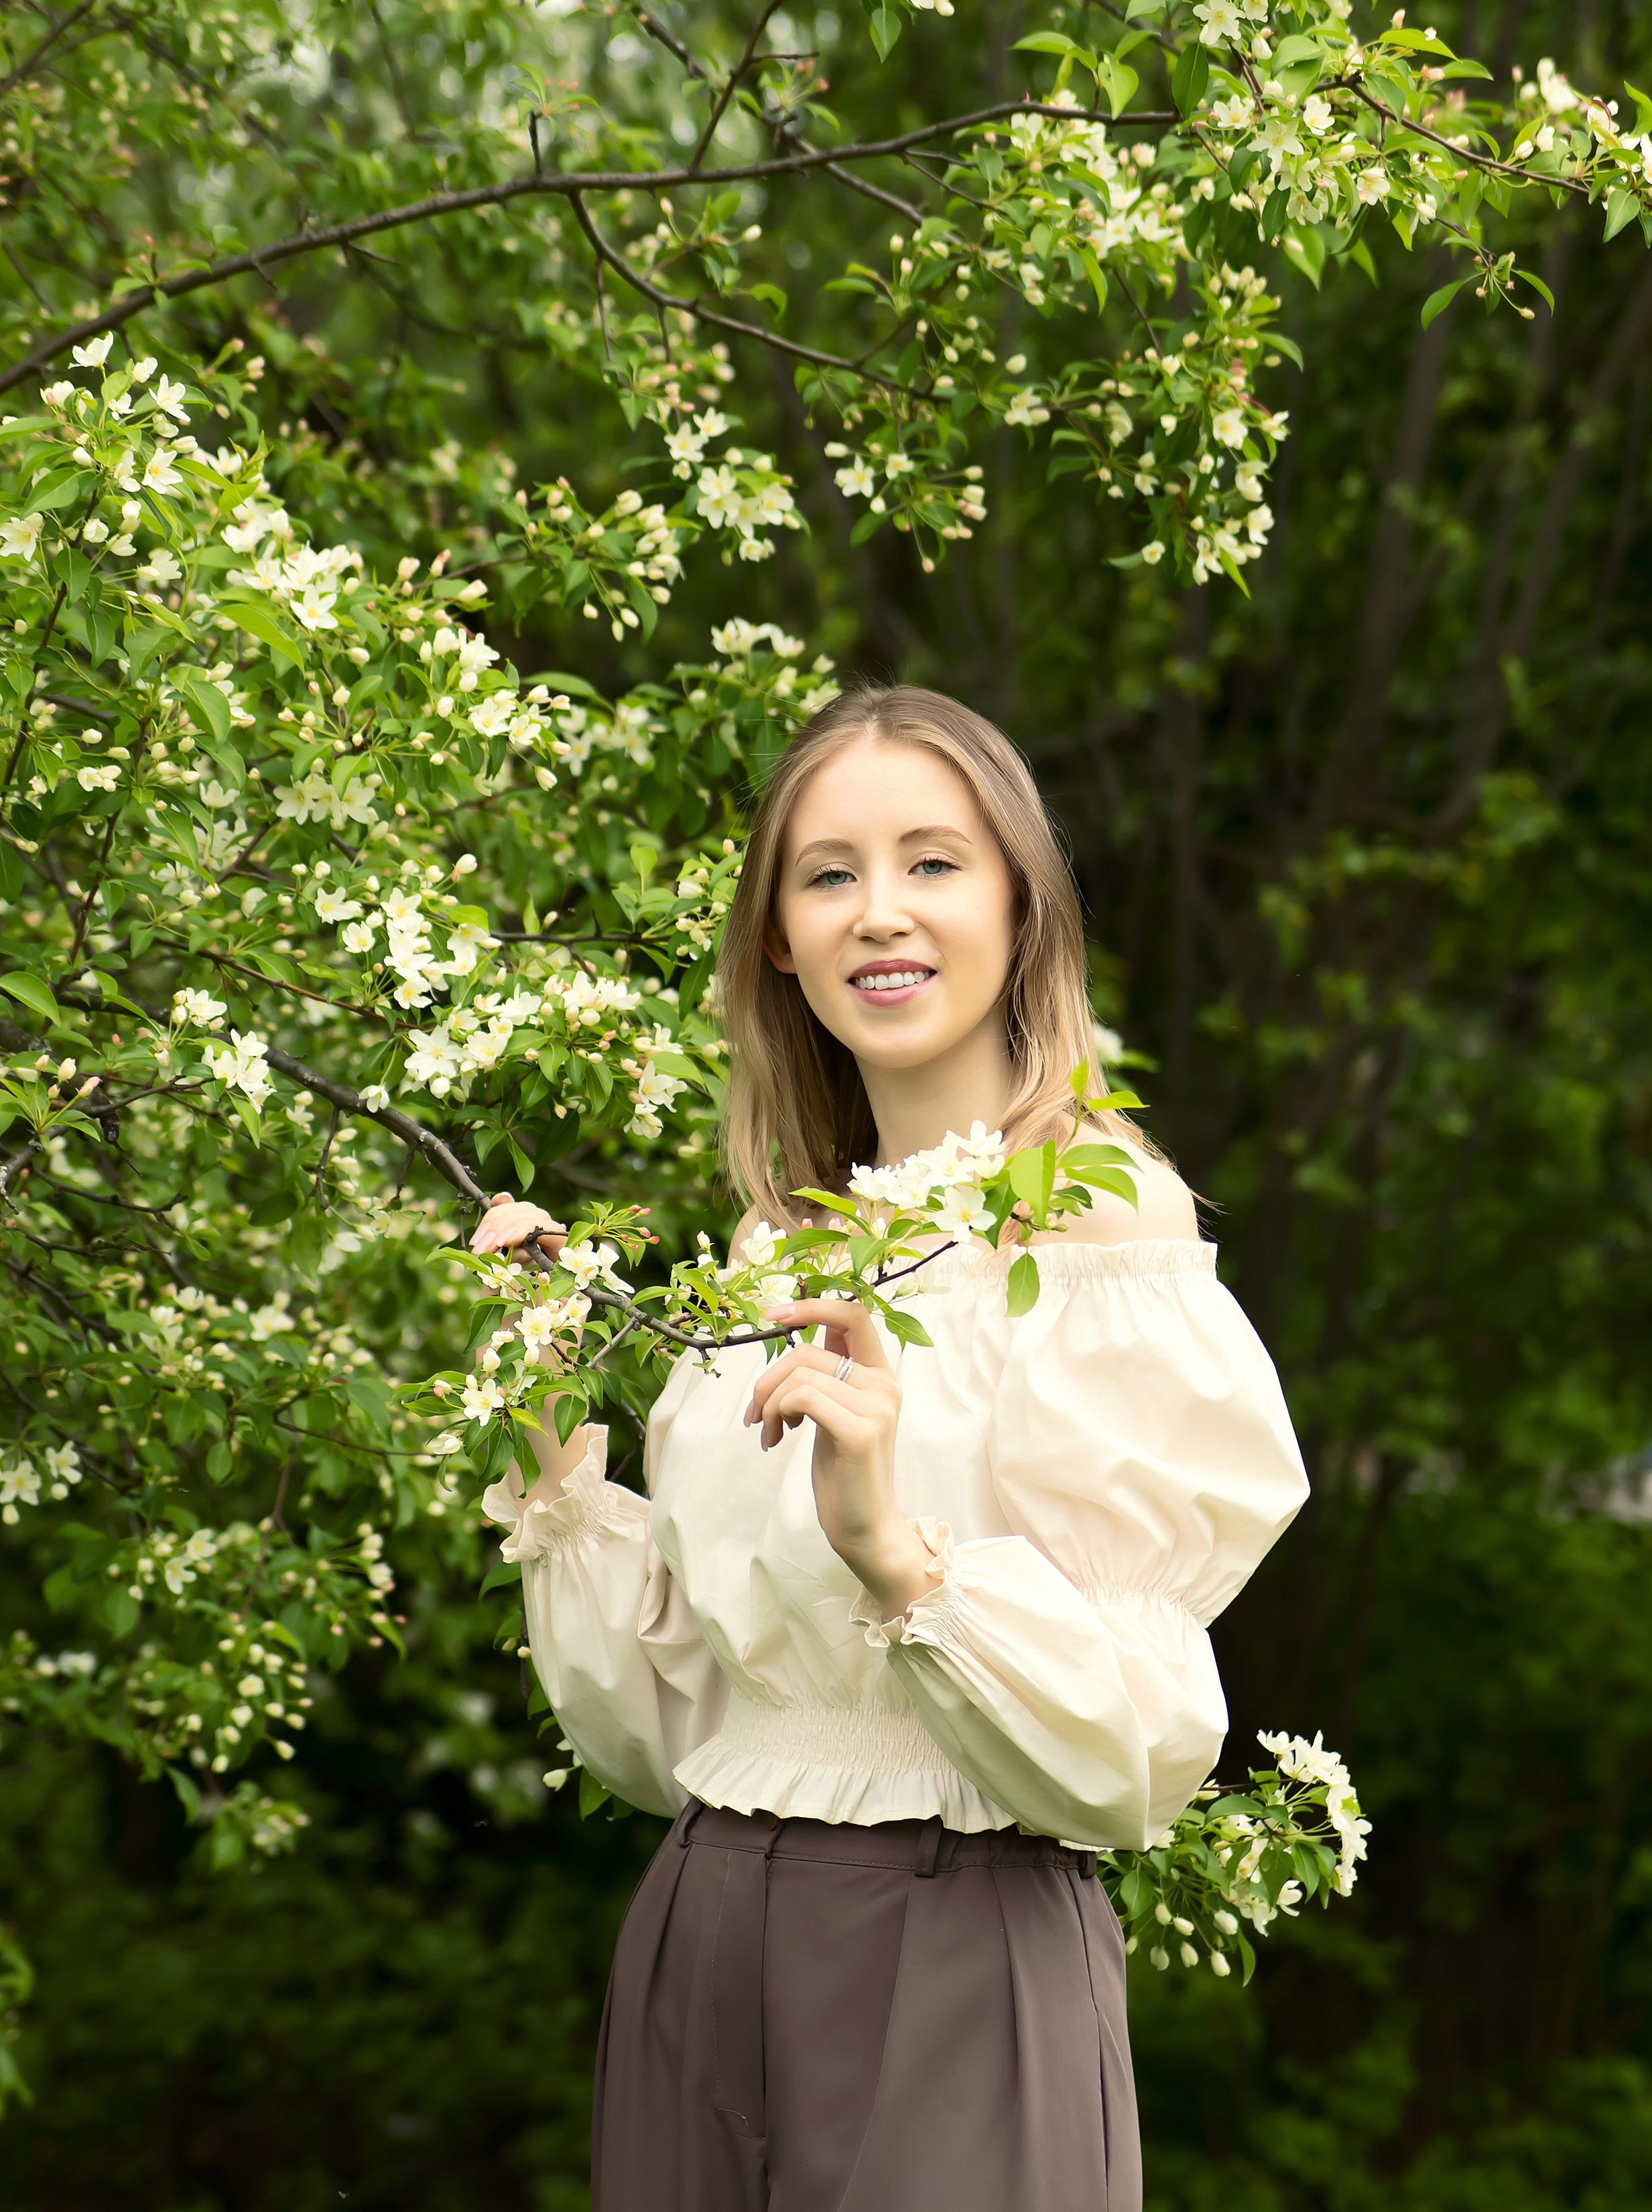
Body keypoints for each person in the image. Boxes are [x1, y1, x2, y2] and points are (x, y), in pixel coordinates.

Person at [474, 684, 1308, 2212]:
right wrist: (548, 1440)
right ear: (777, 940)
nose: (879, 912)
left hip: (961, 1930)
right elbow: (664, 1736)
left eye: (931, 861)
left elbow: (1132, 1757)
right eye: (827, 872)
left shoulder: (1097, 1219)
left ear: (1019, 908)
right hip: (704, 1929)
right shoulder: (771, 1239)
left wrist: (895, 1557)